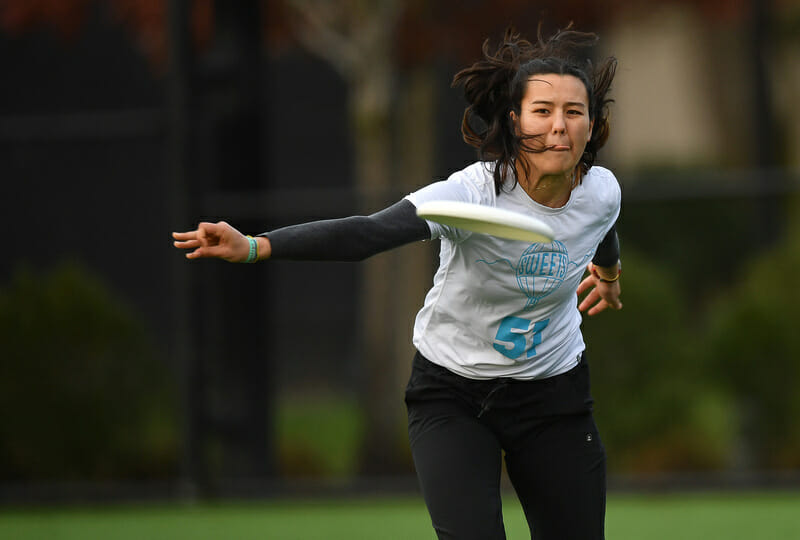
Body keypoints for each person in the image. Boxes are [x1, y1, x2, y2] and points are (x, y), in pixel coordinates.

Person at [173, 24, 621, 540]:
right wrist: (255, 245)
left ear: (592, 124)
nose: (559, 126)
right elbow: (368, 234)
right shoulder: (470, 195)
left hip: (553, 395)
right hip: (455, 394)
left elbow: (605, 225)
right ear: (514, 119)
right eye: (542, 111)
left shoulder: (601, 190)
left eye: (574, 112)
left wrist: (607, 275)